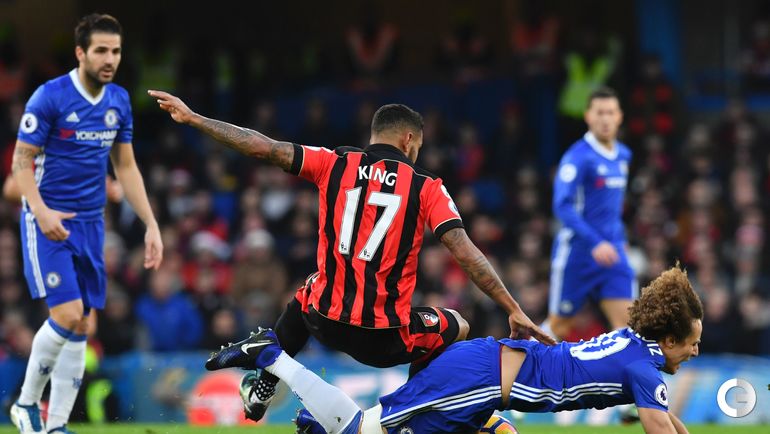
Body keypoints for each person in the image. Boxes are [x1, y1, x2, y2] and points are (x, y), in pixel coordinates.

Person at [149, 90, 554, 421]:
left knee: (311, 288)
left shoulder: (334, 162)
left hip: (324, 321)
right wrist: (512, 308)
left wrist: (196, 119)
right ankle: (413, 412)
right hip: (383, 338)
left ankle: (264, 385)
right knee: (458, 325)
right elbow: (465, 252)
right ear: (408, 140)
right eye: (418, 145)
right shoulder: (426, 186)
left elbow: (263, 147)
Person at [207, 265, 700, 434]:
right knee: (362, 432)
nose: (695, 353)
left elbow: (665, 418)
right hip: (476, 382)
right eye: (693, 343)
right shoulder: (643, 367)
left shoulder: (635, 345)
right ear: (670, 339)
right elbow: (658, 425)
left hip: (484, 382)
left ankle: (315, 422)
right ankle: (272, 356)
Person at [9, 14, 162, 434]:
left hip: (92, 225)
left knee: (82, 324)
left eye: (116, 51)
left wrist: (150, 223)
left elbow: (125, 167)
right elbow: (21, 162)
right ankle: (26, 404)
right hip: (48, 219)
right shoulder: (50, 96)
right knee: (68, 312)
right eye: (101, 50)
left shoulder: (119, 101)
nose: (110, 59)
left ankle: (56, 424)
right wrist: (41, 211)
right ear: (81, 53)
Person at [547, 86, 635, 341]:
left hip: (613, 251)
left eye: (610, 112)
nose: (605, 119)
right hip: (578, 252)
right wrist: (595, 242)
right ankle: (520, 361)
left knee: (628, 326)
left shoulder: (623, 155)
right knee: (560, 327)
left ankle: (623, 370)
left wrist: (620, 238)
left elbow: (612, 206)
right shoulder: (577, 157)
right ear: (588, 116)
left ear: (619, 116)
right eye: (599, 113)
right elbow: (562, 205)